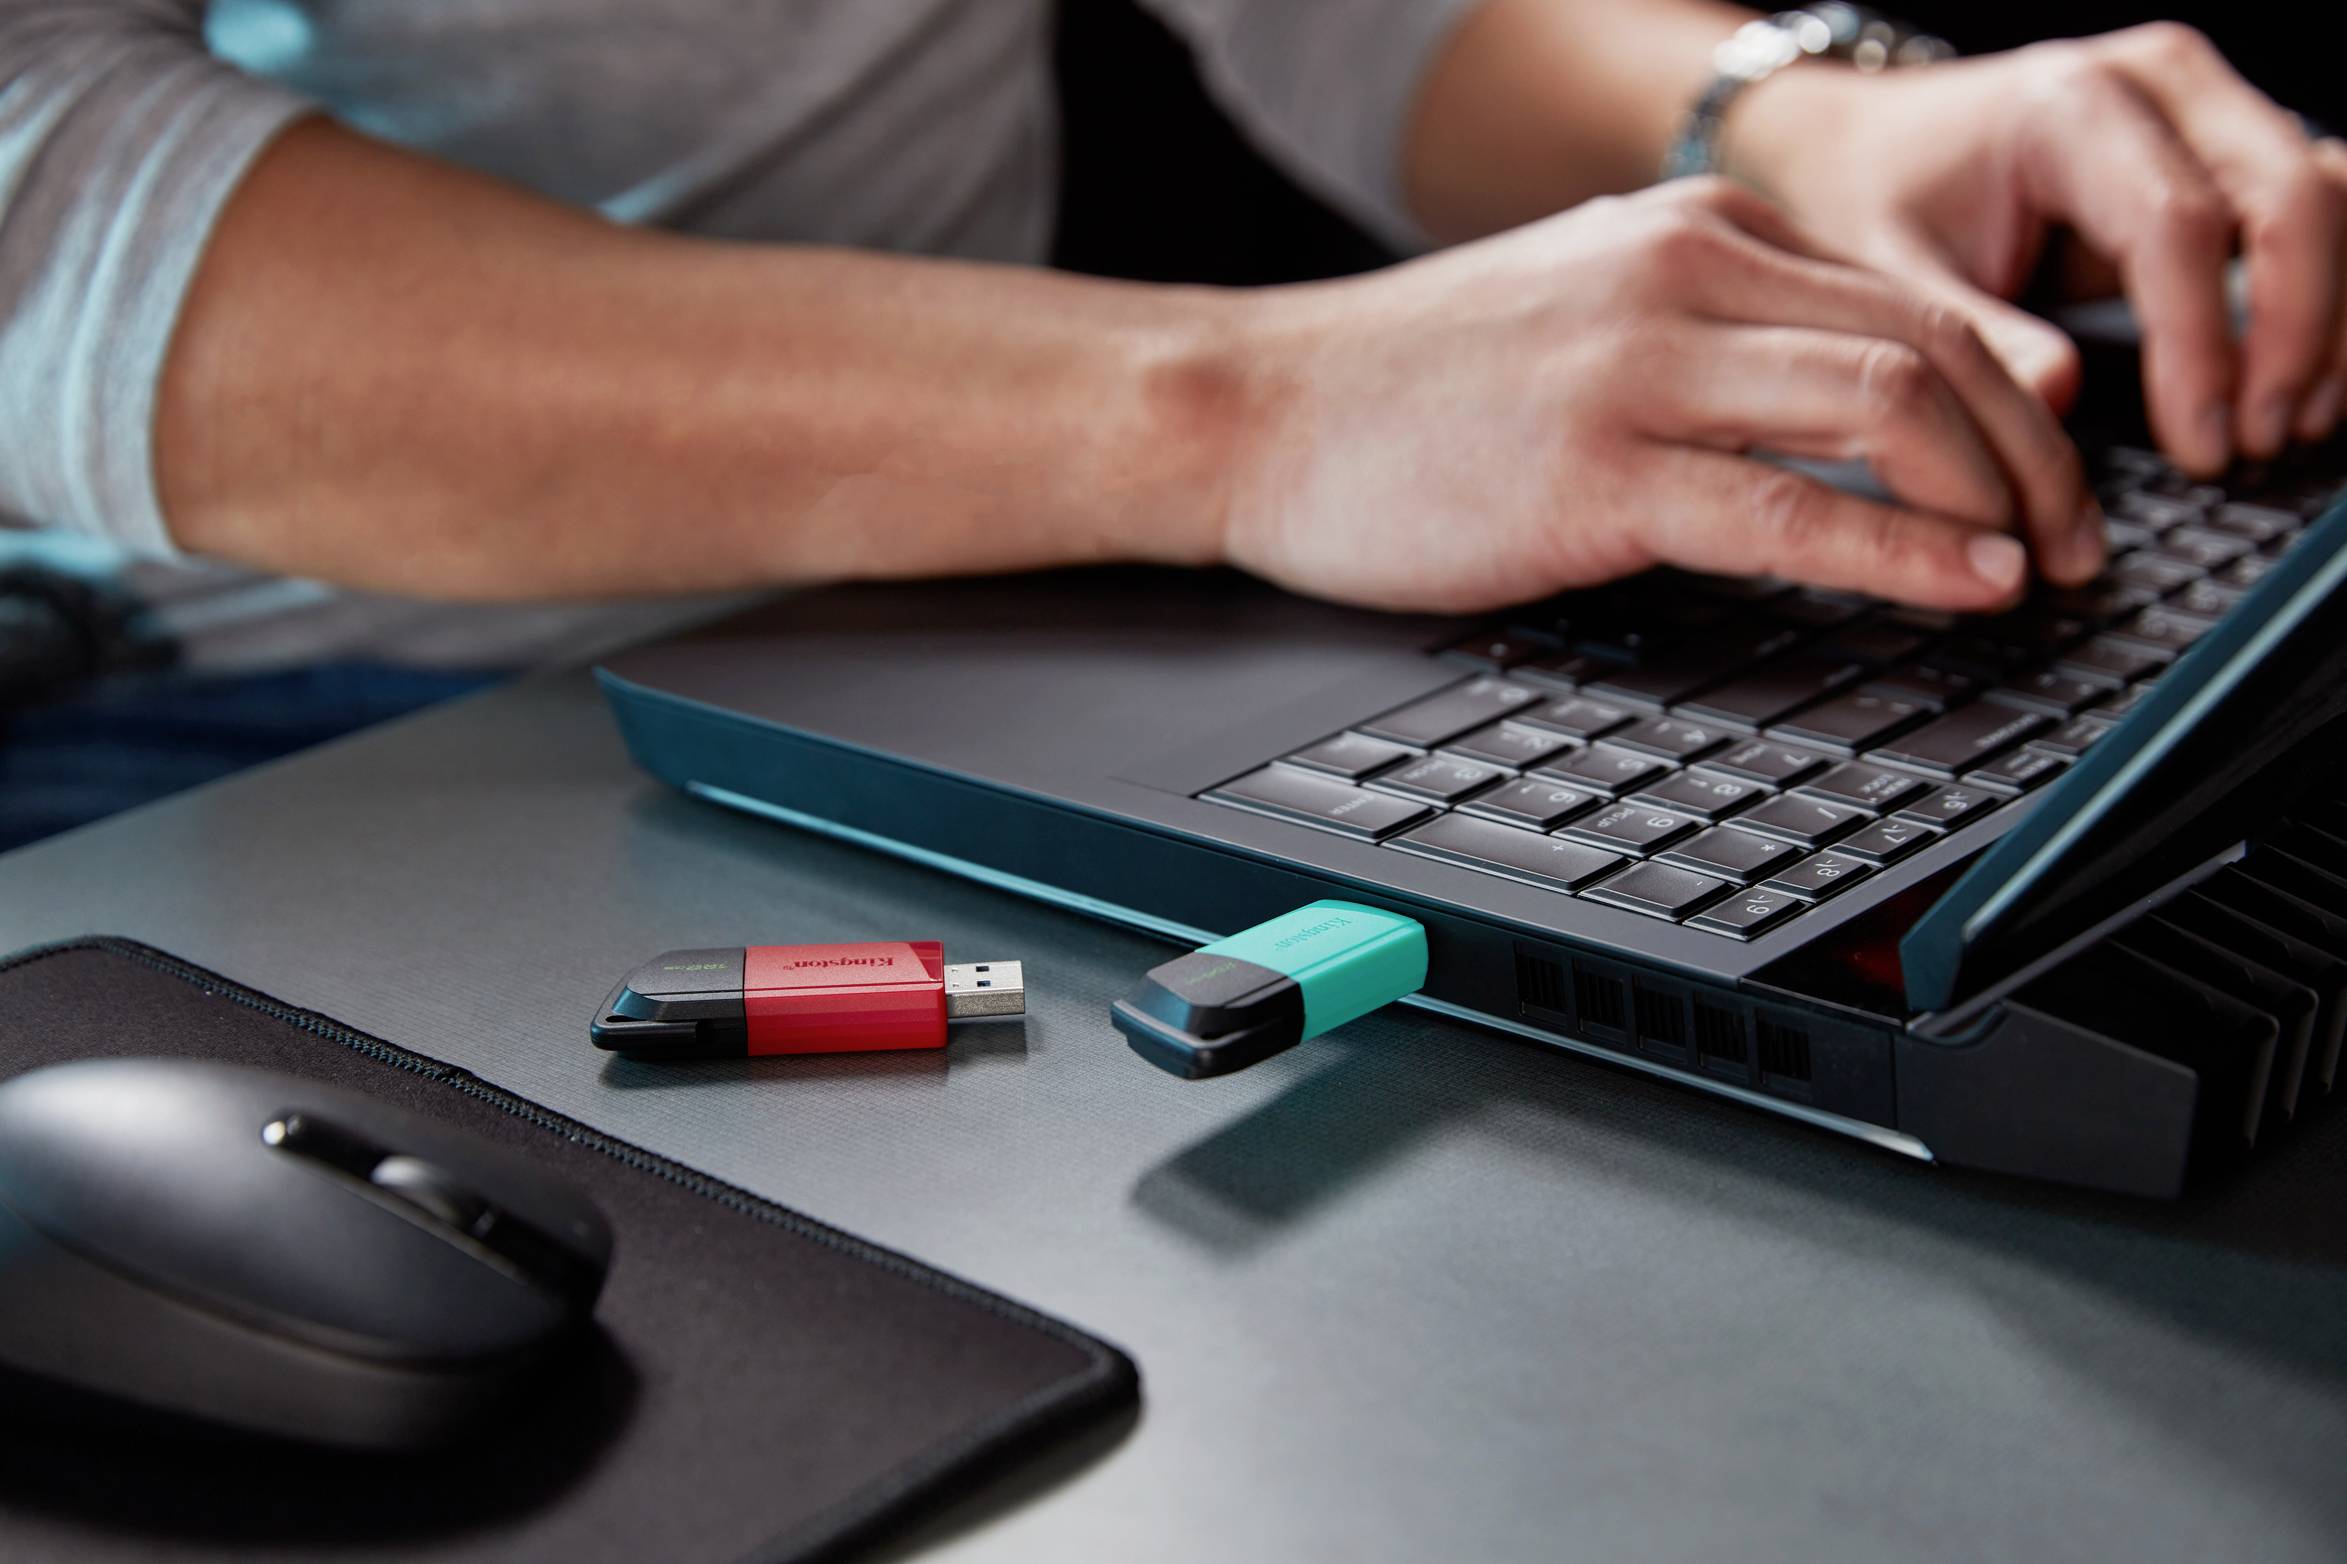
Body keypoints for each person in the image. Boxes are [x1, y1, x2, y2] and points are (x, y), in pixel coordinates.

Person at [0, 2, 2341, 841]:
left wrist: (1785, 118)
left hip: (965, 618)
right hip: (282, 732)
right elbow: (41, 212)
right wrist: (1248, 408)